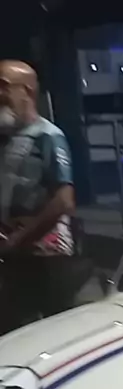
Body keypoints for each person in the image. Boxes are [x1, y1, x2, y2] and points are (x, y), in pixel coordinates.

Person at [0, 60, 77, 335]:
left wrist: (20, 239)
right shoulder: (6, 139)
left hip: (46, 258)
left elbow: (64, 200)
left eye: (4, 86)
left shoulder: (48, 137)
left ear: (28, 91)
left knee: (52, 333)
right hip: (14, 258)